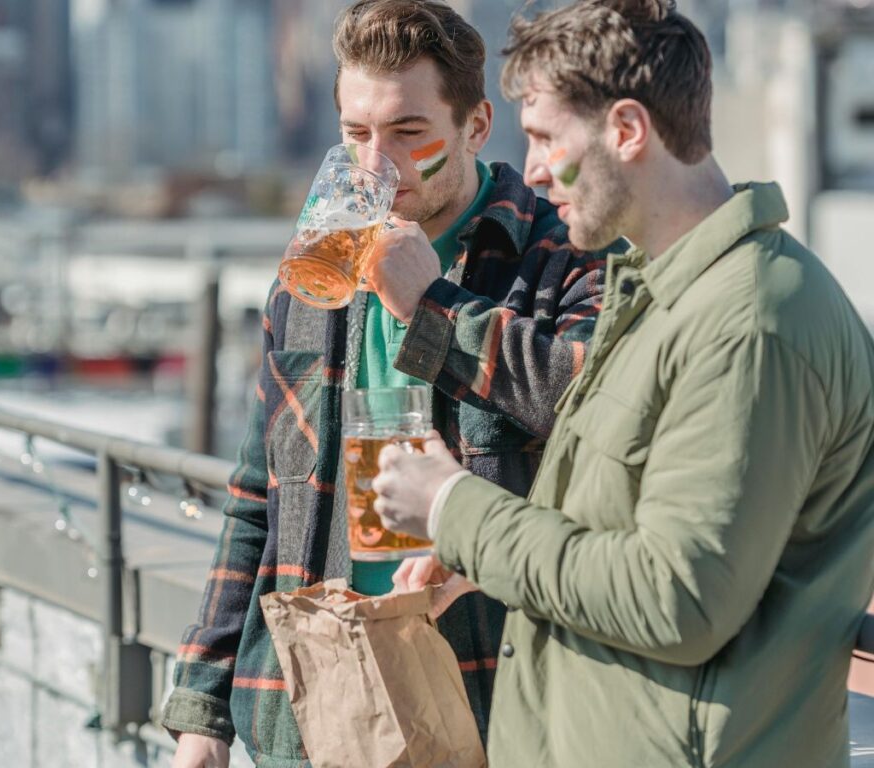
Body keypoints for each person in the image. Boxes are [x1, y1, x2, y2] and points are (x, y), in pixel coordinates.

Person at [371, 1, 874, 766]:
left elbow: (676, 600)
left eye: (545, 137)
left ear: (628, 130)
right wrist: (483, 556)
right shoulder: (656, 296)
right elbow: (619, 520)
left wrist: (454, 507)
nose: (533, 169)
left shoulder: (751, 322)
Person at [161, 1, 616, 766]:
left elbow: (592, 409)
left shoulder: (565, 256)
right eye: (356, 135)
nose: (377, 166)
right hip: (307, 706)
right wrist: (201, 710)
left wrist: (437, 306)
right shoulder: (314, 273)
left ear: (475, 126)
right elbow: (255, 498)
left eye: (409, 133)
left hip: (489, 709)